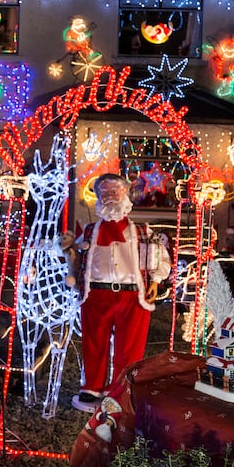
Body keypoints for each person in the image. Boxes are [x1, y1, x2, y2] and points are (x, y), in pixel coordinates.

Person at [71, 173, 172, 413]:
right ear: (98, 196)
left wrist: (156, 280)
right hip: (97, 294)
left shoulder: (142, 231)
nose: (110, 197)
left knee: (130, 346)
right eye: (105, 193)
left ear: (125, 195)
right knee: (94, 342)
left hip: (131, 295)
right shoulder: (89, 231)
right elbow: (75, 257)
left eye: (114, 192)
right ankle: (93, 387)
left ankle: (120, 388)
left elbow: (160, 258)